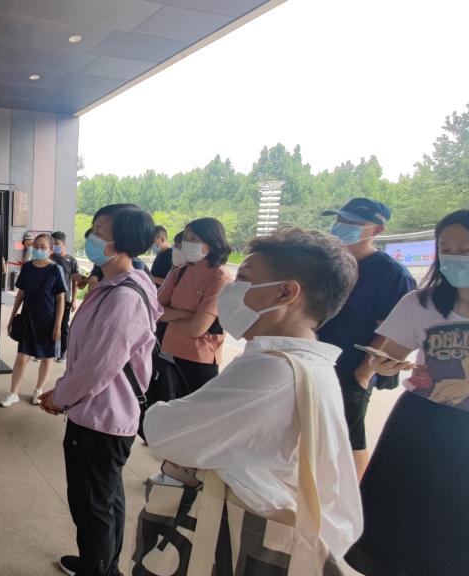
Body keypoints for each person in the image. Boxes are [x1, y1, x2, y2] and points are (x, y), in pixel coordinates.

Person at [144, 227, 363, 565]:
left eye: (244, 280)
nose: (231, 291)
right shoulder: (308, 365)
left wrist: (160, 412)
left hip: (240, 535)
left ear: (285, 293)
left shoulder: (272, 370)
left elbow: (164, 432)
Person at [345, 209, 469, 576]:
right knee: (405, 524)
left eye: (465, 249)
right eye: (446, 248)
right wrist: (384, 366)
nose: (454, 257)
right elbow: (386, 356)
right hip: (422, 426)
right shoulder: (420, 303)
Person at [38, 206, 160, 576]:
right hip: (100, 411)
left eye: (100, 230)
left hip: (101, 418)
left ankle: (98, 568)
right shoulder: (114, 284)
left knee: (92, 505)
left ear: (122, 243)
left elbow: (98, 366)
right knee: (105, 500)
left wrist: (60, 397)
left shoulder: (123, 297)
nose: (92, 235)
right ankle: (102, 564)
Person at [315, 198, 415, 479]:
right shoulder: (330, 264)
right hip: (316, 359)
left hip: (351, 368)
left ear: (376, 230)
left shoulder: (391, 273)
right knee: (314, 432)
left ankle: (356, 494)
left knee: (348, 439)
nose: (341, 226)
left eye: (352, 223)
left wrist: (363, 373)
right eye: (340, 220)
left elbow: (392, 331)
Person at [157, 217, 232, 392]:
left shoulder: (220, 278)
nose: (187, 242)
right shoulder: (180, 272)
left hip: (199, 359)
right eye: (186, 237)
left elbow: (196, 329)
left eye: (194, 238)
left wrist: (169, 315)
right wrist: (187, 315)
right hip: (168, 353)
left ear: (212, 244)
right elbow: (154, 310)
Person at [0, 233, 66, 407]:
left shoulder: (55, 270)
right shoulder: (27, 267)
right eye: (36, 246)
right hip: (28, 319)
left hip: (48, 321)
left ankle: (38, 390)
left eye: (43, 247)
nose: (38, 249)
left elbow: (60, 299)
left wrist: (58, 325)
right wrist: (12, 318)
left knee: (47, 357)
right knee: (22, 357)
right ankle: (13, 393)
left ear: (51, 250)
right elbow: (20, 294)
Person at [50, 231, 81, 363]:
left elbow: (75, 282)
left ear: (64, 244)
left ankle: (63, 352)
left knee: (63, 327)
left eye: (57, 244)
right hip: (49, 298)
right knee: (47, 324)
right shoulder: (49, 257)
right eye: (53, 244)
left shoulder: (71, 260)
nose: (54, 246)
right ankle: (47, 351)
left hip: (65, 299)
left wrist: (74, 300)